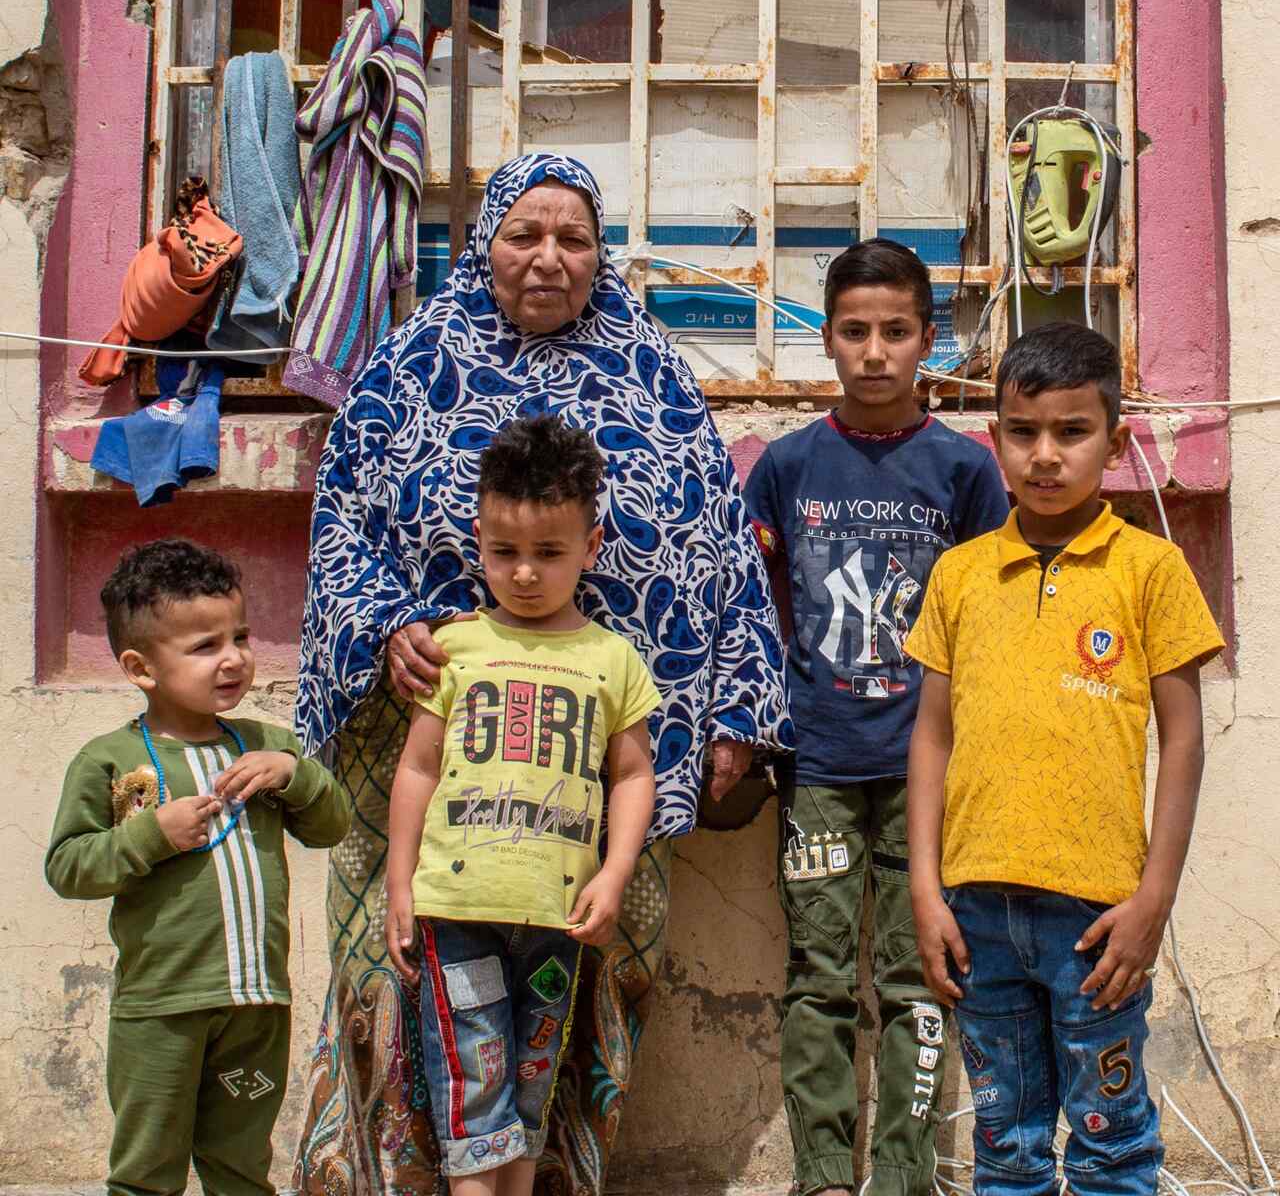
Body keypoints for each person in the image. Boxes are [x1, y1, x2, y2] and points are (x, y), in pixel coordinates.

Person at [287, 152, 792, 1196]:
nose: (550, 259)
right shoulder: (407, 364)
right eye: (525, 234)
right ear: (483, 245)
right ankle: (395, 1180)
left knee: (575, 974)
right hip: (431, 736)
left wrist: (737, 709)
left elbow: (722, 547)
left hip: (607, 752)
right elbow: (341, 520)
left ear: (599, 255)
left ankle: (547, 1177)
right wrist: (386, 625)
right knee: (415, 975)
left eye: (574, 238)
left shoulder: (652, 370)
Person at [905, 323, 1225, 1196]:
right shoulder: (962, 576)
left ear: (1115, 443)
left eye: (1072, 432)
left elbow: (1184, 738)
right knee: (1005, 1151)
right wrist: (926, 891)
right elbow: (931, 734)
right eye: (1023, 432)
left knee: (1112, 1148)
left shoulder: (1150, 570)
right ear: (996, 439)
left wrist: (1152, 898)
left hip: (1098, 921)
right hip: (976, 913)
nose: (1046, 456)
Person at [743, 239, 1009, 1196]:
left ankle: (900, 1178)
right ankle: (823, 1175)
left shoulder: (966, 472)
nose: (875, 352)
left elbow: (989, 616)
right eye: (853, 331)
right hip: (815, 763)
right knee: (818, 976)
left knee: (917, 978)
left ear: (929, 340)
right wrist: (747, 732)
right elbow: (752, 610)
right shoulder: (785, 469)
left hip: (926, 772)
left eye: (897, 331)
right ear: (826, 340)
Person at [385, 414, 661, 1195]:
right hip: (458, 910)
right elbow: (418, 767)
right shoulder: (457, 646)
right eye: (505, 552)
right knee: (474, 1088)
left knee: (530, 1085)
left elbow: (634, 774)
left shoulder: (611, 660)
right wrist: (400, 884)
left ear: (590, 547)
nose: (526, 574)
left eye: (549, 553)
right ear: (478, 540)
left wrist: (614, 871)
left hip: (557, 918)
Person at [44, 539, 353, 1196]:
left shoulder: (269, 745)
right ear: (141, 667)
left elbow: (331, 826)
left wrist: (297, 776)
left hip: (257, 1006)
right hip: (161, 1008)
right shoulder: (111, 759)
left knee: (241, 1169)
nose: (234, 658)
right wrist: (151, 834)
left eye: (239, 635)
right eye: (205, 646)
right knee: (146, 1172)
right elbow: (70, 867)